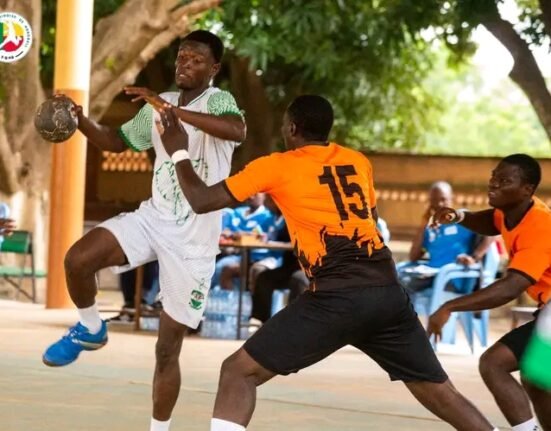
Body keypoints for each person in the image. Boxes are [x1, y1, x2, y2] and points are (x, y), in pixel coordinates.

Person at [155, 95, 498, 431]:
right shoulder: (357, 161)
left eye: (284, 127)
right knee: (441, 392)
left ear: (292, 128)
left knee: (238, 371)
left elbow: (201, 200)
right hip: (387, 293)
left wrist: (178, 151)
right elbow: (369, 221)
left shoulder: (277, 165)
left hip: (337, 297)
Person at [41, 30, 245, 431]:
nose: (185, 64)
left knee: (166, 351)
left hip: (193, 241)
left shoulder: (218, 101)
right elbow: (115, 142)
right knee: (78, 259)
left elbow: (235, 130)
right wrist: (81, 120)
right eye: (182, 57)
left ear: (214, 68)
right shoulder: (159, 104)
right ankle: (91, 328)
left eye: (196, 60)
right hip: (153, 218)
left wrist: (170, 111)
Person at [428, 154, 551, 431]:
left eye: (504, 181)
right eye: (494, 176)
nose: (493, 184)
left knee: (496, 364)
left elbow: (510, 287)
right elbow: (491, 221)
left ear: (527, 189)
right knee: (535, 378)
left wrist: (449, 306)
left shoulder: (540, 226)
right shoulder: (512, 210)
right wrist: (459, 216)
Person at [401, 181, 494, 295]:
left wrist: (474, 257)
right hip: (430, 275)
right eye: (434, 200)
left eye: (443, 199)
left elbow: (492, 232)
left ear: (452, 199)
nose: (439, 204)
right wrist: (423, 223)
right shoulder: (430, 227)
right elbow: (413, 257)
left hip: (451, 276)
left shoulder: (462, 218)